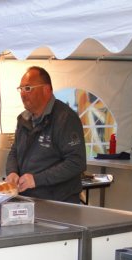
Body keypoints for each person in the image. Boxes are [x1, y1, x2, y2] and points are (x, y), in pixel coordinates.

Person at [5, 66, 86, 203]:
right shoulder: (23, 119)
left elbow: (76, 162)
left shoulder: (65, 118)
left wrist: (36, 180)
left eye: (28, 88)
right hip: (27, 199)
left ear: (46, 89)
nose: (23, 94)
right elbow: (15, 150)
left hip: (59, 204)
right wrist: (12, 172)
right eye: (21, 89)